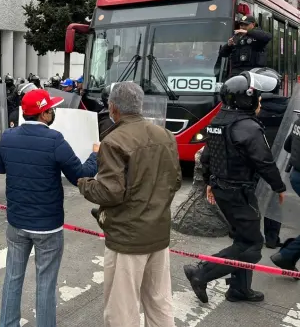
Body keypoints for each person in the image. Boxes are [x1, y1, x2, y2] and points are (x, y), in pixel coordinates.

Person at [77, 81, 181, 327]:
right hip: (158, 231)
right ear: (140, 105)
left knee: (122, 309)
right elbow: (175, 181)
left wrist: (84, 183)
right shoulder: (165, 135)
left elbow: (109, 192)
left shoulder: (114, 141)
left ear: (113, 108)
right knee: (159, 301)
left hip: (127, 237)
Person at [0, 88, 98, 327]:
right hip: (47, 226)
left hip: (17, 221)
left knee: (12, 278)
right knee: (46, 283)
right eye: (50, 108)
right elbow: (80, 176)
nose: (53, 112)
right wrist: (95, 156)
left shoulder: (9, 136)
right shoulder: (55, 139)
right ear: (43, 114)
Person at [184, 71, 286, 304]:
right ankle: (201, 273)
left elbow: (208, 156)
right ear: (245, 98)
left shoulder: (218, 121)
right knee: (252, 244)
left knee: (242, 238)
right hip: (239, 191)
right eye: (257, 97)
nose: (260, 101)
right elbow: (264, 161)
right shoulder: (248, 126)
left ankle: (240, 289)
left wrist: (210, 181)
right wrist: (279, 187)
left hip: (222, 188)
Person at [271, 110, 300, 271]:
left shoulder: (298, 122)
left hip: (296, 174)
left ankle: (288, 254)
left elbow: (288, 146)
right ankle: (287, 255)